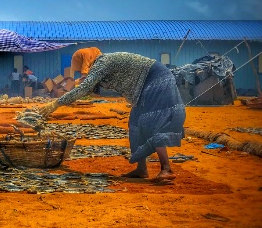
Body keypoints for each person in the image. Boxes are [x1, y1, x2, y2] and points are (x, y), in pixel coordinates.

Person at [39, 47, 186, 182]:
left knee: (152, 122)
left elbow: (85, 88)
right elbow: (87, 84)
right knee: (135, 123)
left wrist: (56, 103)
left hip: (156, 79)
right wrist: (73, 84)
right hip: (146, 84)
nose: (80, 72)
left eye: (79, 68)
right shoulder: (100, 64)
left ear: (85, 61)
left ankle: (166, 169)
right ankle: (142, 169)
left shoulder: (103, 63)